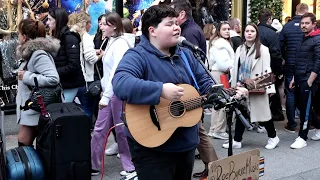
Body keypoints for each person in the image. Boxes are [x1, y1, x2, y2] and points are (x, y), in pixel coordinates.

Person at [171, 1, 218, 178]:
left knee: (198, 132)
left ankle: (214, 167)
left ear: (181, 15)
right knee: (198, 131)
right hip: (191, 91)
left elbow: (186, 66)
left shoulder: (187, 33)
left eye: (173, 19)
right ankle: (213, 166)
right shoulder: (194, 29)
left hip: (189, 93)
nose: (174, 26)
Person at [90, 12, 136, 177]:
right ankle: (94, 164)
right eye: (101, 23)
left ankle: (129, 165)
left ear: (114, 26)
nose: (101, 26)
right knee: (102, 129)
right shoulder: (113, 41)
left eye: (104, 24)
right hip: (111, 92)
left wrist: (106, 96)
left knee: (120, 130)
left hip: (115, 93)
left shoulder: (120, 44)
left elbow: (115, 73)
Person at [225, 23, 280, 150]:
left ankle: (273, 137)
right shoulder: (239, 49)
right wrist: (234, 86)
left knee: (263, 114)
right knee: (241, 112)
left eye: (252, 31)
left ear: (256, 34)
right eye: (247, 31)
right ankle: (237, 140)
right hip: (241, 86)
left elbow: (267, 70)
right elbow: (236, 69)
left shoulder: (263, 49)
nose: (249, 33)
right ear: (243, 33)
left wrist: (270, 89)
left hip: (257, 85)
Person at [16, 19, 60, 146]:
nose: (17, 36)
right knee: (35, 145)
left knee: (23, 144)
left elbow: (53, 78)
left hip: (35, 109)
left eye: (19, 33)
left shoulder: (38, 54)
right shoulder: (31, 53)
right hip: (33, 107)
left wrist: (27, 76)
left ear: (24, 36)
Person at [289, 13, 320, 149]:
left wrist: (310, 80)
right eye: (302, 23)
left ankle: (302, 137)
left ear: (313, 24)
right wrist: (294, 78)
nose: (304, 26)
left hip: (309, 79)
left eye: (307, 23)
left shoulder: (317, 39)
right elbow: (299, 60)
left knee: (305, 109)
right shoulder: (303, 38)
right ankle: (319, 127)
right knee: (301, 106)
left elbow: (319, 61)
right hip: (299, 77)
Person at [280, 3, 309, 133]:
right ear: (306, 12)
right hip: (305, 65)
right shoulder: (309, 27)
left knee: (290, 93)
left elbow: (280, 45)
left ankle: (291, 123)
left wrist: (284, 58)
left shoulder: (287, 27)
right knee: (305, 92)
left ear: (296, 11)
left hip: (290, 64)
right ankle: (306, 121)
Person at [46, 8, 85, 102]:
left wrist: (53, 72)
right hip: (63, 83)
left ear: (58, 20)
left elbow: (73, 64)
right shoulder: (58, 37)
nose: (47, 23)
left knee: (64, 111)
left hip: (71, 84)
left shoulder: (69, 38)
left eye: (50, 19)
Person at [207, 21, 233, 140]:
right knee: (223, 102)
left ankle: (214, 129)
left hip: (216, 73)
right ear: (219, 30)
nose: (227, 31)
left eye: (228, 29)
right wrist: (233, 66)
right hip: (220, 74)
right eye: (224, 29)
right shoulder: (221, 44)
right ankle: (219, 129)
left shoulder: (217, 43)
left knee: (216, 103)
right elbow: (224, 64)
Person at [258, 9, 284, 122]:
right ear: (269, 20)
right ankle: (275, 114)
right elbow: (275, 53)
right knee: (271, 90)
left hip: (256, 66)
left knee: (258, 91)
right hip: (268, 67)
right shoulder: (272, 34)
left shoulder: (254, 31)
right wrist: (278, 70)